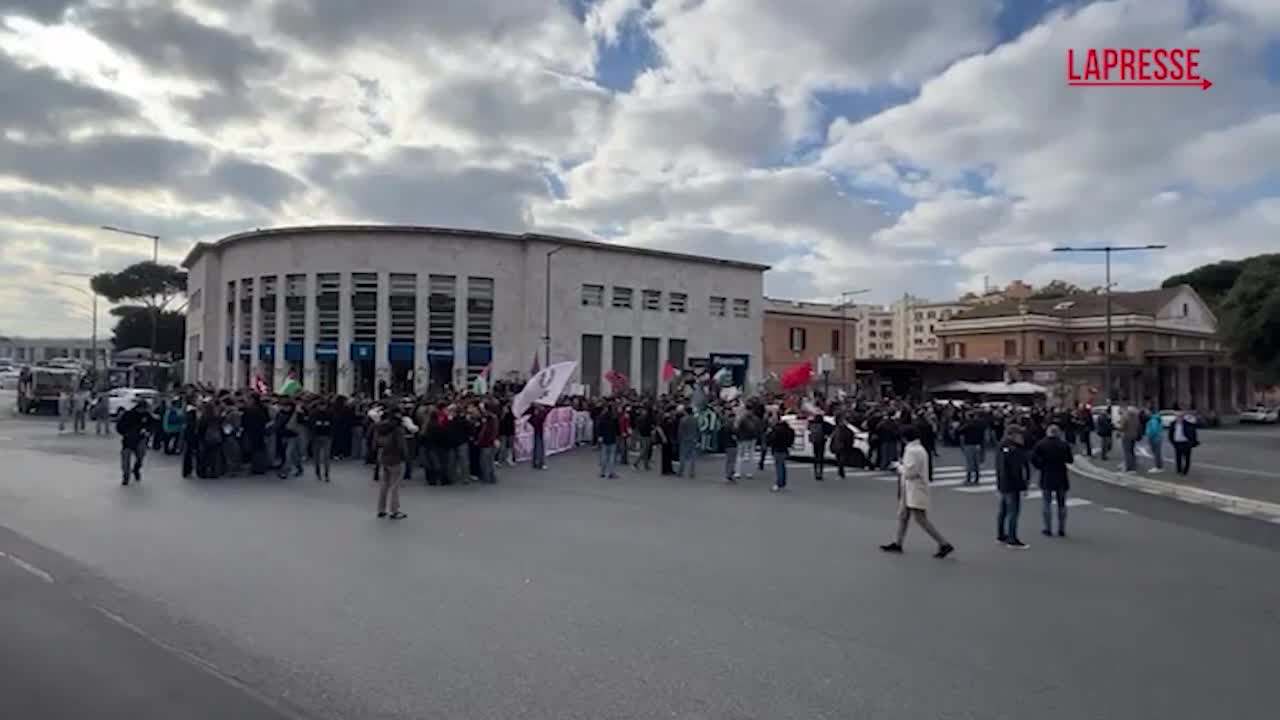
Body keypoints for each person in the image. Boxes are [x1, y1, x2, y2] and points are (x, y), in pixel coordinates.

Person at [879, 426, 954, 558]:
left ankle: (943, 543)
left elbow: (910, 472)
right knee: (903, 516)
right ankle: (898, 542)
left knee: (920, 518)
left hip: (914, 487)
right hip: (910, 487)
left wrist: (899, 467)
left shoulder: (912, 451)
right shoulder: (918, 449)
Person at [1031, 424, 1074, 537]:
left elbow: (1033, 459)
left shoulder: (1041, 444)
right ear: (1058, 433)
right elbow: (1070, 460)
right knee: (1062, 504)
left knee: (1046, 503)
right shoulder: (1064, 445)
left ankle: (1047, 528)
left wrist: (1041, 466)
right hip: (1061, 475)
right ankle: (1061, 528)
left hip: (1047, 475)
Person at [995, 424, 1031, 548]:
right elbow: (1017, 470)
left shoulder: (1001, 446)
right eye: (1019, 434)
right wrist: (1023, 486)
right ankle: (1012, 538)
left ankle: (1001, 535)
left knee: (1003, 511)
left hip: (1003, 483)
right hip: (1012, 485)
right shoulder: (1014, 449)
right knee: (1013, 512)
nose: (1022, 437)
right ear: (1013, 435)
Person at [375, 407, 408, 519]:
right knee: (395, 486)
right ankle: (394, 510)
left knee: (384, 484)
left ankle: (381, 509)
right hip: (396, 458)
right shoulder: (398, 429)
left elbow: (376, 442)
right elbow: (401, 445)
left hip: (384, 457)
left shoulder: (381, 427)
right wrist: (406, 457)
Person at [116, 399, 151, 486]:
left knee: (140, 457)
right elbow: (119, 426)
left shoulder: (147, 415)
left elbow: (153, 424)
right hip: (128, 440)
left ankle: (136, 469)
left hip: (140, 440)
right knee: (125, 459)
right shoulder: (128, 414)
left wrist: (148, 431)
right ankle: (126, 476)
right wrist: (125, 433)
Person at [765, 414, 795, 492]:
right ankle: (783, 482)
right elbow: (791, 440)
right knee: (782, 466)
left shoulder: (775, 430)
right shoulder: (789, 430)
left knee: (778, 467)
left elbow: (770, 439)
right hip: (785, 449)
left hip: (777, 449)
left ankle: (779, 483)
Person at [309, 399, 334, 482]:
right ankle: (318, 471)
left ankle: (326, 474)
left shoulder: (330, 413)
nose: (322, 407)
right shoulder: (313, 413)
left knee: (326, 456)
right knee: (316, 457)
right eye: (321, 405)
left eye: (324, 405)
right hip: (316, 436)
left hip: (327, 436)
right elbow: (311, 424)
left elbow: (334, 423)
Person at [1169, 409, 1199, 475]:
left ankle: (1185, 470)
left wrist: (1191, 442)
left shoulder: (1188, 424)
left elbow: (1193, 433)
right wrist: (1172, 442)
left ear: (1183, 417)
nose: (1179, 418)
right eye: (1177, 416)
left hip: (1186, 443)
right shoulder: (1173, 424)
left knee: (1187, 458)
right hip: (1177, 443)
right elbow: (1170, 434)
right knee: (1178, 458)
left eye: (1180, 416)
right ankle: (1179, 470)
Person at [958, 413, 986, 485]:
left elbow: (959, 431)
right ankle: (977, 479)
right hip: (978, 445)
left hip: (969, 445)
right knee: (977, 463)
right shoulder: (980, 425)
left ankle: (969, 479)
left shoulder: (968, 425)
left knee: (969, 462)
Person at [475, 402, 499, 484]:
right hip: (490, 442)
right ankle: (492, 477)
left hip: (486, 443)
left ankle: (487, 478)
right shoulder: (493, 418)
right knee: (490, 461)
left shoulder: (489, 419)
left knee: (485, 461)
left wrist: (480, 440)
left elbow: (485, 431)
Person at [595, 403, 620, 479]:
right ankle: (611, 473)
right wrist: (618, 434)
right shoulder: (614, 418)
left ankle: (602, 472)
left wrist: (599, 435)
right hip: (612, 438)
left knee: (604, 456)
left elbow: (599, 427)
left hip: (604, 438)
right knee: (612, 456)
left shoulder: (602, 417)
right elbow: (617, 429)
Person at [677, 408, 700, 478]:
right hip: (693, 439)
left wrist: (679, 438)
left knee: (682, 455)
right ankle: (692, 472)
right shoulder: (695, 419)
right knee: (692, 456)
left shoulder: (683, 419)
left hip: (685, 439)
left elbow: (680, 430)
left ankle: (681, 470)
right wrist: (697, 438)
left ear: (686, 412)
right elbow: (698, 430)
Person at [808, 413, 831, 481]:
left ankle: (815, 472)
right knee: (821, 458)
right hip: (821, 442)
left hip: (815, 442)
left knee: (815, 457)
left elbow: (809, 428)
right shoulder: (824, 424)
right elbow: (830, 430)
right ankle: (820, 473)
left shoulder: (812, 424)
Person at [1119, 405, 1141, 473]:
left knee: (1127, 452)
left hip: (1126, 436)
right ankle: (1133, 465)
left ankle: (1129, 468)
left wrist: (1117, 426)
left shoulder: (1125, 417)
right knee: (1132, 451)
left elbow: (1122, 427)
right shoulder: (1136, 417)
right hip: (1133, 436)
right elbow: (1138, 426)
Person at [719, 410, 738, 483]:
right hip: (732, 444)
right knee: (732, 460)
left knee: (728, 460)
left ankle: (728, 473)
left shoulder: (724, 426)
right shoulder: (731, 426)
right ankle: (730, 475)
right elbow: (734, 436)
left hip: (726, 444)